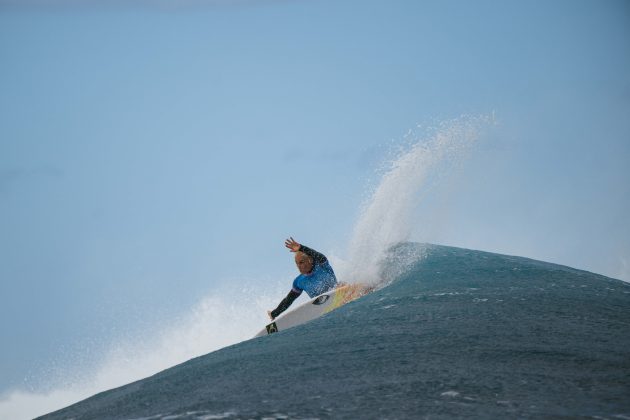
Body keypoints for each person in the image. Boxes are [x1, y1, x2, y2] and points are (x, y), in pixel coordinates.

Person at [267, 237, 338, 320]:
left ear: (310, 260)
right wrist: (274, 313)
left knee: (342, 284)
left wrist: (301, 248)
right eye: (297, 263)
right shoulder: (299, 281)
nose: (298, 266)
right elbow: (288, 300)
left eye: (301, 262)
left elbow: (315, 254)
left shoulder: (322, 264)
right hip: (323, 307)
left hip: (338, 294)